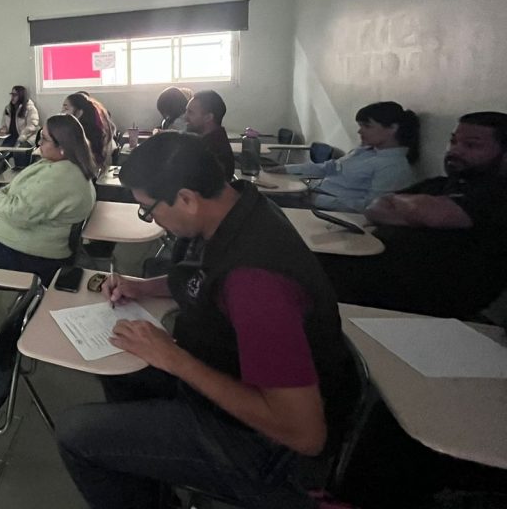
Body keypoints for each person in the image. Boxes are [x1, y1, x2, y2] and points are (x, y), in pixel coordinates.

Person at [56, 133, 358, 509]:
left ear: (186, 198)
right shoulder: (238, 208)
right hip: (226, 374)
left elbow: (305, 434)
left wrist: (174, 358)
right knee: (115, 360)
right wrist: (146, 287)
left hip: (263, 446)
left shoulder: (256, 285)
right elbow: (208, 281)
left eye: (149, 210)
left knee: (75, 434)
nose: (152, 220)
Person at [320, 111, 507, 318]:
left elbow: (433, 215)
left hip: (422, 303)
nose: (455, 151)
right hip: (373, 276)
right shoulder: (439, 184)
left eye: (471, 145)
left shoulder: (497, 194)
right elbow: (374, 207)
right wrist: (413, 209)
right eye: (453, 142)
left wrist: (404, 206)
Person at [0, 114, 97, 332]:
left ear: (63, 147)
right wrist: (2, 196)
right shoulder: (58, 165)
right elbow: (12, 190)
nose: (39, 141)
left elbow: (17, 213)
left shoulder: (62, 178)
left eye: (45, 138)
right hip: (16, 237)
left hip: (30, 254)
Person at [273, 101, 419, 212]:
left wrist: (317, 200)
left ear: (393, 128)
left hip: (327, 209)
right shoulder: (365, 151)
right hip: (312, 193)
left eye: (367, 126)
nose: (359, 132)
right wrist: (286, 169)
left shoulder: (394, 166)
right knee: (261, 196)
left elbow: (371, 206)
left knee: (265, 206)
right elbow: (329, 167)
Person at [184, 89, 235, 177]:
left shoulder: (214, 152)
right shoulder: (205, 142)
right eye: (186, 111)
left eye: (190, 112)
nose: (185, 117)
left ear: (208, 117)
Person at [62, 92, 115, 172]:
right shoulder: (93, 129)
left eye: (66, 109)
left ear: (79, 112)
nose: (62, 112)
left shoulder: (80, 134)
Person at [0, 84, 40, 168]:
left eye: (15, 95)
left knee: (19, 152)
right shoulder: (8, 108)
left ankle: (20, 175)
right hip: (12, 137)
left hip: (27, 138)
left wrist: (20, 140)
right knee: (0, 153)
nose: (12, 97)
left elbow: (32, 127)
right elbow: (4, 123)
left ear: (21, 96)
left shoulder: (30, 108)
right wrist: (3, 129)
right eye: (12, 94)